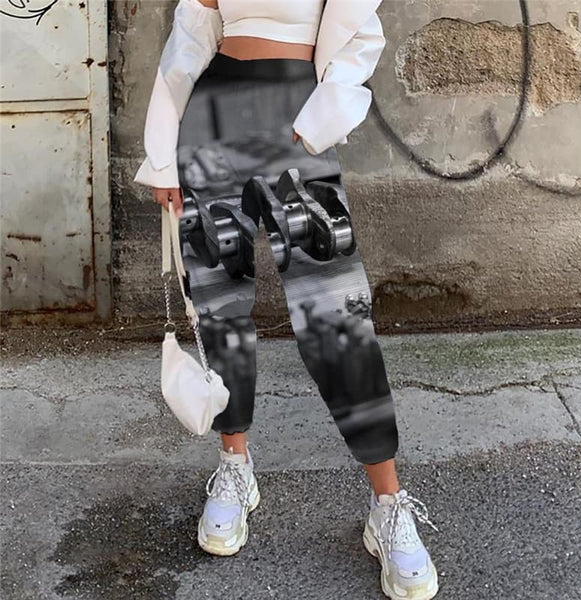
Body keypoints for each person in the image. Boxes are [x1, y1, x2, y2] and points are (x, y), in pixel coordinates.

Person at [134, 1, 439, 599]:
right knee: (220, 310)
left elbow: (360, 37)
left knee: (336, 315)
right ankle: (235, 466)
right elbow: (187, 45)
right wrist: (163, 156)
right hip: (212, 121)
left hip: (298, 122)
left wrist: (322, 114)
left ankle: (388, 502)